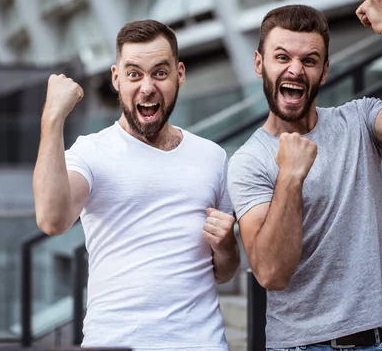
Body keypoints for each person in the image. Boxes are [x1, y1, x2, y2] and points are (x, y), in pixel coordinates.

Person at [227, 0, 382, 351]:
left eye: (309, 60)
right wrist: (290, 176)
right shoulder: (249, 160)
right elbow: (271, 272)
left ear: (325, 70)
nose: (295, 70)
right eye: (282, 57)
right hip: (306, 345)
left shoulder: (359, 120)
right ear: (259, 63)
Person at [32, 19, 240, 350]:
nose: (146, 87)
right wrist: (53, 116)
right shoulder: (91, 152)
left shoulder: (212, 157)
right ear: (116, 78)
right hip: (115, 343)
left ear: (179, 75)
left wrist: (227, 245)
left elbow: (224, 272)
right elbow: (51, 219)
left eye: (159, 73)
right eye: (134, 74)